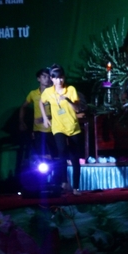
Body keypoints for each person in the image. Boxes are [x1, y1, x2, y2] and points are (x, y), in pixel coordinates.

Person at [40, 64, 84, 196]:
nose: (59, 81)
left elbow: (77, 109)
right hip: (58, 127)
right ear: (51, 79)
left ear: (64, 78)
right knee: (62, 151)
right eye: (56, 78)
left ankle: (76, 187)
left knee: (75, 157)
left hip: (72, 127)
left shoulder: (70, 89)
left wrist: (68, 100)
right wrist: (45, 118)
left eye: (61, 78)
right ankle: (64, 182)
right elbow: (41, 102)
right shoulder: (48, 92)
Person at [19, 68, 56, 160]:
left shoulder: (54, 92)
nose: (47, 79)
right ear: (38, 79)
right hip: (39, 130)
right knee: (41, 157)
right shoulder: (33, 94)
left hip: (54, 129)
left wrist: (47, 117)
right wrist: (21, 122)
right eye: (44, 76)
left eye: (49, 77)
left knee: (54, 156)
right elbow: (23, 107)